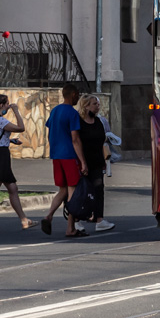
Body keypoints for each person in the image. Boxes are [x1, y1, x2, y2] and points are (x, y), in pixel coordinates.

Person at [0, 94, 38, 231]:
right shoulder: (0, 121)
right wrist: (16, 111)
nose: (8, 107)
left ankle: (24, 220)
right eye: (7, 104)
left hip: (1, 156)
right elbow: (21, 127)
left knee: (13, 189)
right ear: (1, 105)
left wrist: (11, 141)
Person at [41, 83, 86, 237]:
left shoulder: (54, 111)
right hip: (69, 156)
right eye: (78, 94)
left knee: (62, 190)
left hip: (56, 155)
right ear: (73, 94)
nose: (78, 97)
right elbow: (75, 140)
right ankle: (70, 228)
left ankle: (49, 215)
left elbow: (50, 133)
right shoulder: (72, 113)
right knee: (72, 191)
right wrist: (83, 162)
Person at [77, 94, 115, 232]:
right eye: (94, 104)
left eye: (98, 104)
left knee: (98, 189)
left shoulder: (98, 121)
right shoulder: (79, 122)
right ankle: (77, 220)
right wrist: (82, 162)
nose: (97, 107)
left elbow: (102, 141)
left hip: (97, 161)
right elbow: (77, 142)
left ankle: (99, 219)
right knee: (82, 191)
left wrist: (104, 160)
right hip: (83, 161)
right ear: (86, 106)